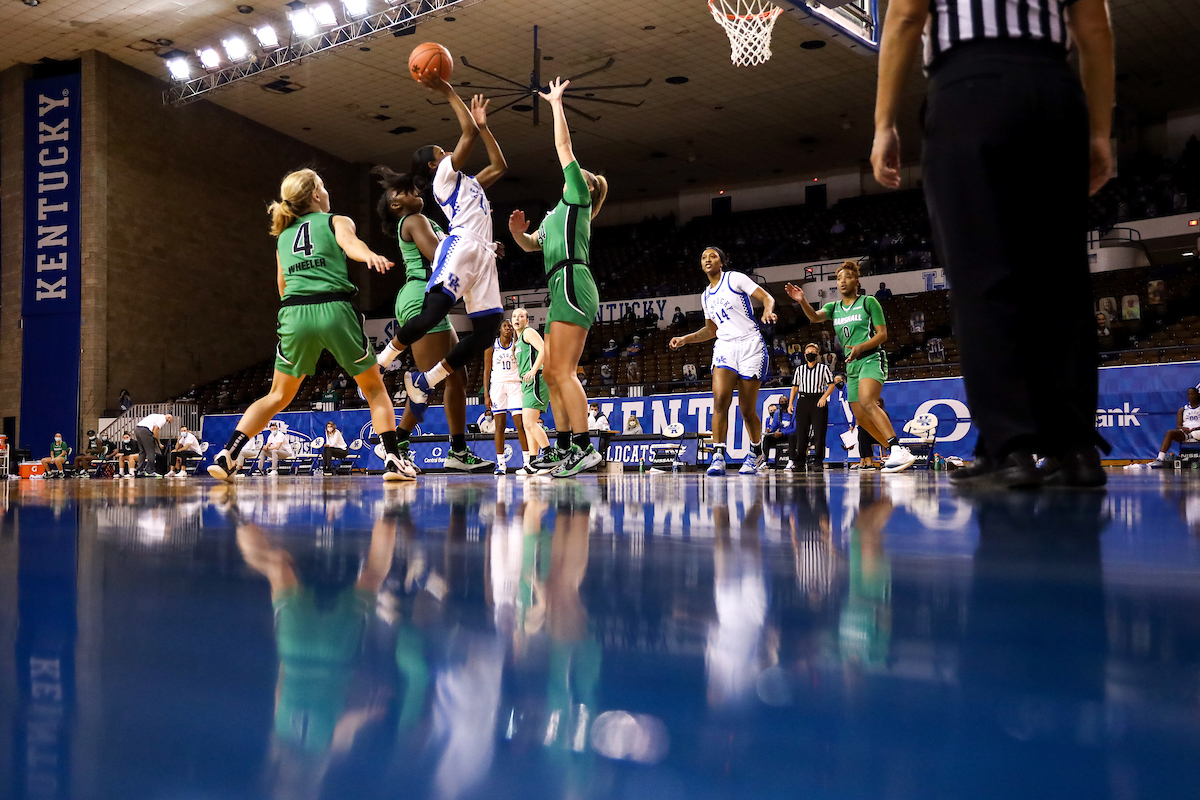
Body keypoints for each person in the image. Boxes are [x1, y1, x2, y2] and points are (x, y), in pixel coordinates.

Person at [871, 0, 1114, 487]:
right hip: (1053, 88)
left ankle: (1010, 447)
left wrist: (884, 124)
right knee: (1060, 277)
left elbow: (903, 17)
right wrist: (1101, 131)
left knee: (982, 277)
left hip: (970, 87)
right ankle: (1074, 448)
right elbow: (1094, 26)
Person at [206, 168, 408, 482]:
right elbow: (351, 244)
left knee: (277, 396)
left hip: (294, 313)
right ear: (315, 194)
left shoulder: (283, 236)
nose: (326, 192)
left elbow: (282, 287)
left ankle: (228, 453)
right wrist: (369, 255)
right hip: (334, 309)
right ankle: (394, 460)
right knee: (374, 389)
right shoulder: (335, 220)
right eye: (323, 186)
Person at [375, 77, 509, 429]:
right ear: (435, 166)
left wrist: (485, 127)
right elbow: (467, 134)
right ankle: (383, 359)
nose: (447, 153)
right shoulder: (442, 180)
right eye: (441, 153)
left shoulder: (469, 182)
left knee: (486, 333)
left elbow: (499, 166)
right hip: (461, 247)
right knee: (434, 312)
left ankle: (426, 380)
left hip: (482, 255)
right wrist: (448, 91)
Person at [507, 77, 609, 479]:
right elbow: (533, 244)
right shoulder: (555, 217)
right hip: (558, 286)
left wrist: (555, 104)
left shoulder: (578, 198)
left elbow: (563, 147)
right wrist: (517, 234)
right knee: (550, 372)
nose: (570, 170)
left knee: (563, 372)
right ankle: (565, 448)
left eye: (575, 172)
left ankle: (584, 448)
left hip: (572, 281)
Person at [372, 159, 491, 474]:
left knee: (455, 377)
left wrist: (483, 249)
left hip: (426, 299)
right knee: (431, 381)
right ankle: (396, 446)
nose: (416, 189)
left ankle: (456, 450)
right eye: (405, 189)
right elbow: (440, 254)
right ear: (397, 203)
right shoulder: (413, 219)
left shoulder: (420, 218)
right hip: (418, 297)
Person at [785, 262, 915, 473]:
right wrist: (802, 301)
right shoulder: (834, 308)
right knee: (861, 418)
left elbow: (883, 335)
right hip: (851, 365)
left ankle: (896, 447)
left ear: (857, 281)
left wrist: (860, 347)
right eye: (839, 279)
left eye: (847, 277)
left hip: (871, 357)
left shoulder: (868, 302)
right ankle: (896, 453)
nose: (842, 281)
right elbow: (814, 317)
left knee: (867, 401)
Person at [671, 247, 777, 476]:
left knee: (747, 410)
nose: (708, 260)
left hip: (750, 345)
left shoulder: (735, 278)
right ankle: (718, 454)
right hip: (725, 346)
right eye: (703, 257)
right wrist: (686, 339)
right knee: (720, 400)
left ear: (722, 261)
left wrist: (768, 310)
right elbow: (711, 330)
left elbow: (767, 297)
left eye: (713, 256)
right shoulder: (705, 295)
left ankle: (756, 452)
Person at [483, 319, 531, 475]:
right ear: (500, 329)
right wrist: (486, 394)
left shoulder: (517, 345)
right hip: (497, 386)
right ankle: (501, 465)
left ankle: (527, 462)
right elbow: (486, 371)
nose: (508, 328)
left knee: (520, 424)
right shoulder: (491, 347)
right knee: (500, 426)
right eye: (505, 325)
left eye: (510, 326)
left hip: (515, 385)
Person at [511, 308, 553, 470]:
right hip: (527, 382)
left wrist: (534, 369)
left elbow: (544, 349)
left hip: (537, 378)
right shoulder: (519, 340)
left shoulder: (528, 332)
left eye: (521, 316)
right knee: (529, 424)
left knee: (528, 422)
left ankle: (549, 455)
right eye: (514, 316)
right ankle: (533, 463)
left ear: (527, 321)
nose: (517, 318)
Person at [788, 342, 835, 471]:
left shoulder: (823, 368)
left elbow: (831, 385)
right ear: (804, 355)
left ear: (817, 354)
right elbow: (795, 387)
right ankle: (799, 462)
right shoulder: (799, 369)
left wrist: (824, 397)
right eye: (808, 353)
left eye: (813, 352)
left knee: (819, 432)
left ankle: (818, 461)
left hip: (818, 399)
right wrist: (791, 403)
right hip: (803, 400)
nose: (810, 354)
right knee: (801, 432)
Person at [1150, 387, 1200, 468]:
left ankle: (1193, 434)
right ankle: (1160, 459)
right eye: (1189, 394)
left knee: (1196, 433)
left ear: (1197, 395)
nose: (1190, 396)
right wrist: (1183, 428)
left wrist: (1196, 428)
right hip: (1186, 433)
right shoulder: (1183, 409)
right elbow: (1178, 426)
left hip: (1198, 432)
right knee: (1170, 433)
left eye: (1192, 394)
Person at [133, 412, 172, 478]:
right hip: (145, 431)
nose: (166, 422)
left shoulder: (155, 415)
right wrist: (159, 443)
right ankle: (150, 471)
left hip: (137, 429)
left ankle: (139, 470)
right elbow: (155, 430)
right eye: (168, 421)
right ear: (168, 417)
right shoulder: (163, 419)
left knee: (142, 451)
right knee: (151, 451)